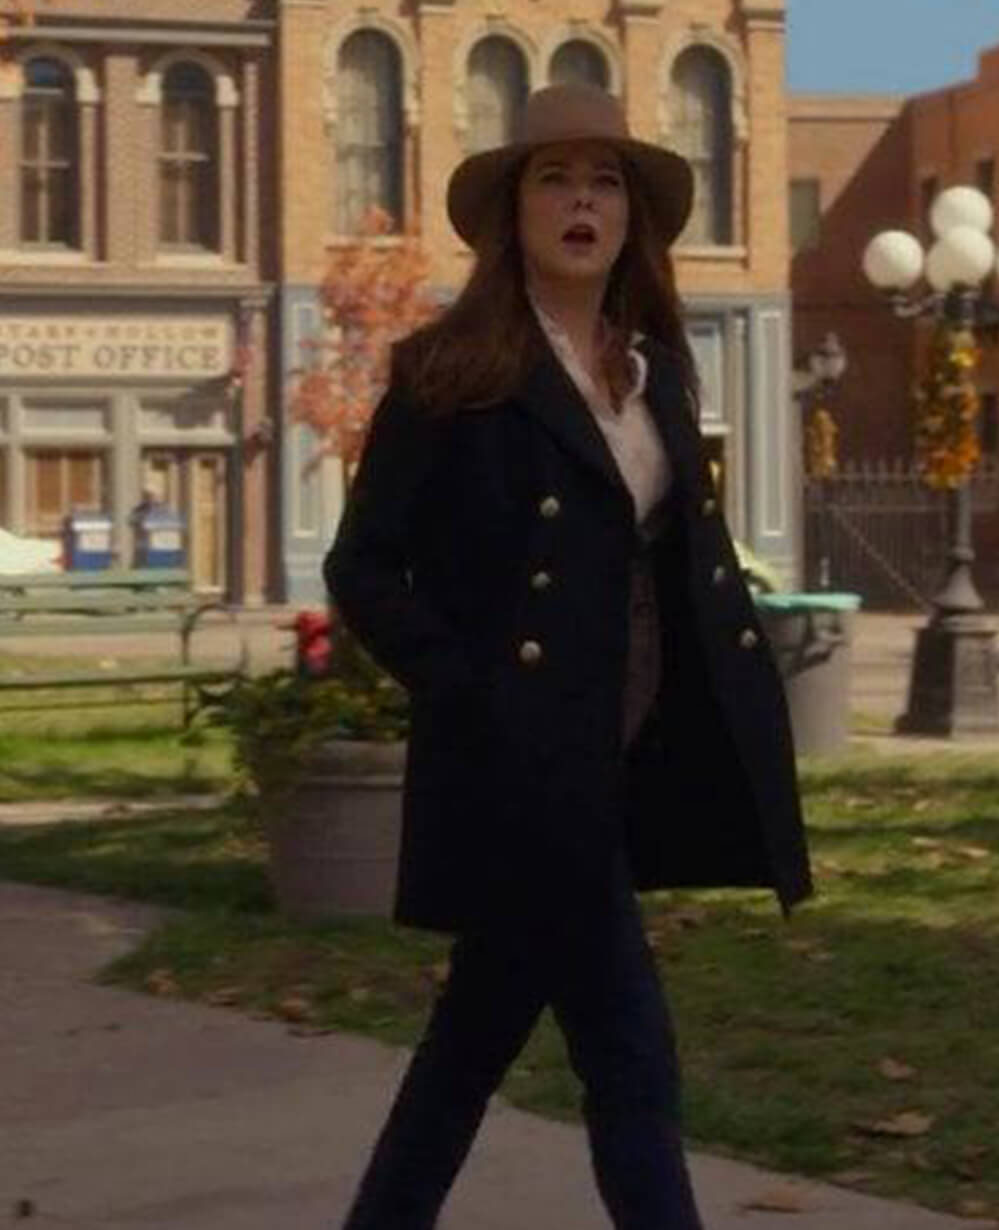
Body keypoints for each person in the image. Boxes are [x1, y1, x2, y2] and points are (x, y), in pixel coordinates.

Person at [323, 82, 813, 1230]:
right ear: (514, 213)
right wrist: (469, 692)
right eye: (554, 180)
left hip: (625, 758)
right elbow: (363, 566)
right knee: (629, 1053)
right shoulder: (448, 371)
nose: (581, 202)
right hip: (523, 767)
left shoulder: (655, 373)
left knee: (471, 1044)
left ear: (632, 217)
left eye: (605, 183)